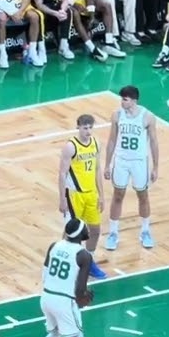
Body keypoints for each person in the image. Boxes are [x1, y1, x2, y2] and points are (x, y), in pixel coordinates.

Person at [21, 217, 94, 337]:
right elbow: (80, 290)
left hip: (46, 296)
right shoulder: (84, 255)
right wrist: (85, 299)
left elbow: (44, 273)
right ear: (82, 233)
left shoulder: (54, 246)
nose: (88, 229)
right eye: (85, 227)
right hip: (64, 300)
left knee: (54, 333)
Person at [104, 85, 159, 251]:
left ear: (134, 100)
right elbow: (112, 140)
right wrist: (107, 164)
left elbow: (154, 142)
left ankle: (145, 231)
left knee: (143, 195)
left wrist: (156, 167)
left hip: (139, 161)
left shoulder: (147, 117)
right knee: (117, 195)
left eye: (125, 99)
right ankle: (113, 233)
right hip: (121, 160)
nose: (122, 101)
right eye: (121, 98)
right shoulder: (116, 115)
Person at [59, 114, 106, 278]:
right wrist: (62, 198)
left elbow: (97, 170)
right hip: (74, 195)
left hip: (91, 194)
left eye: (90, 127)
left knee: (95, 230)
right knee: (70, 233)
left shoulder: (96, 143)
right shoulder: (71, 147)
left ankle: (89, 262)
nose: (88, 131)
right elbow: (62, 173)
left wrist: (102, 195)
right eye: (85, 128)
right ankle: (64, 261)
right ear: (78, 127)